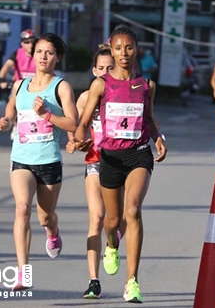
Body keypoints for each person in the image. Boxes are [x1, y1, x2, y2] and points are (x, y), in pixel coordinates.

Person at [71, 25, 167, 303]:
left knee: (133, 211)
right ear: (111, 50)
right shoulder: (101, 84)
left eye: (129, 47)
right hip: (109, 158)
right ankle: (111, 245)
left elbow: (149, 118)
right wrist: (80, 141)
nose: (124, 53)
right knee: (112, 221)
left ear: (136, 49)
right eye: (118, 48)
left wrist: (158, 137)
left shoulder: (147, 85)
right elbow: (84, 122)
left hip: (138, 154)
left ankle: (132, 282)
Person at [0, 33, 78, 291]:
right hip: (21, 158)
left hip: (49, 160)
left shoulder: (61, 87)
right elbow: (11, 108)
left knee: (45, 217)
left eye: (49, 52)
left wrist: (47, 114)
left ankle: (53, 232)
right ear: (33, 54)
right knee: (22, 209)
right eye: (40, 51)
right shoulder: (20, 84)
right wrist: (6, 121)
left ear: (57, 57)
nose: (43, 56)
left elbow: (73, 123)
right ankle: (23, 272)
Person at [65, 43, 124, 299]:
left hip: (121, 162)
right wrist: (76, 143)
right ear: (93, 70)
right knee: (96, 218)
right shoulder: (85, 97)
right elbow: (77, 127)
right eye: (100, 68)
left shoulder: (124, 94)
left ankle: (112, 243)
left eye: (110, 68)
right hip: (95, 161)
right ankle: (93, 280)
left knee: (117, 220)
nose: (104, 72)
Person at [0, 29, 37, 140]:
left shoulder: (39, 54)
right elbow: (6, 66)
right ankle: (15, 125)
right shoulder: (17, 53)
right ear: (22, 44)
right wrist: (1, 79)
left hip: (36, 87)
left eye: (32, 42)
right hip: (19, 87)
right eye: (27, 42)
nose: (30, 45)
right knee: (13, 103)